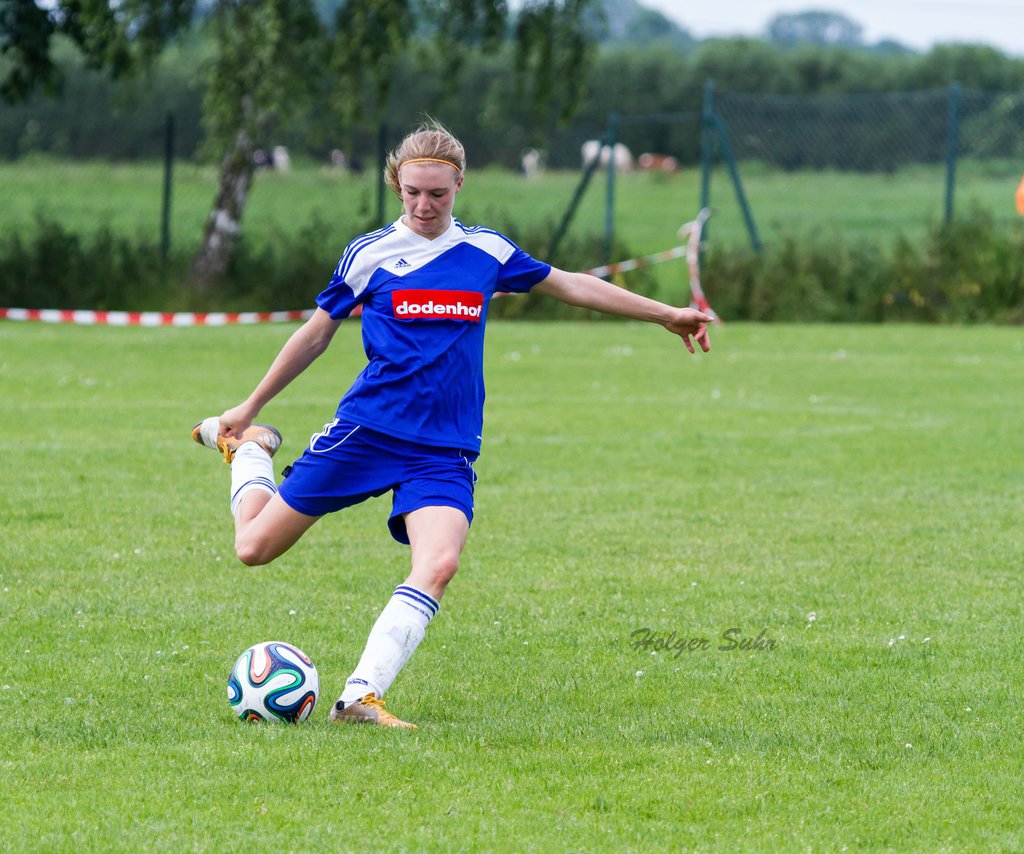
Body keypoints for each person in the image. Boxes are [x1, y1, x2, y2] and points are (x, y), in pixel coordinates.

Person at [192, 121, 713, 728]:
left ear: (458, 186)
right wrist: (249, 407)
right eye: (412, 192)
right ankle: (252, 452)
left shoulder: (486, 252)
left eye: (437, 193)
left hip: (443, 449)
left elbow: (569, 285)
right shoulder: (371, 254)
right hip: (370, 431)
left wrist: (665, 314)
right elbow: (315, 334)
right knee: (253, 548)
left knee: (438, 564)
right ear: (398, 186)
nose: (423, 205)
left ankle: (359, 697)